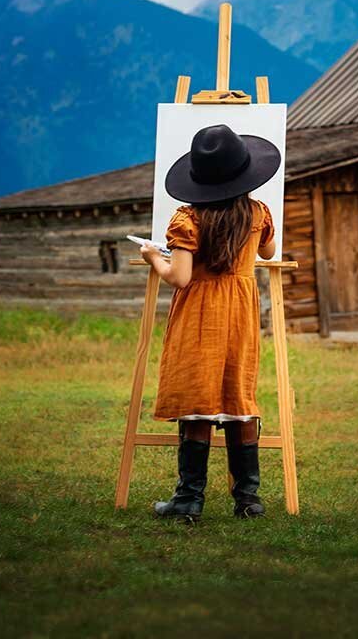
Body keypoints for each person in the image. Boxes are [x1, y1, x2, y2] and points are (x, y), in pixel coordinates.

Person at [140, 123, 282, 522]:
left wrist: (154, 256)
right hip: (239, 315)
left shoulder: (188, 219)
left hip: (200, 315)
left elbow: (181, 277)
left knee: (197, 400)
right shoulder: (257, 213)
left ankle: (188, 501)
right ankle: (248, 500)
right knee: (237, 398)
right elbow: (269, 252)